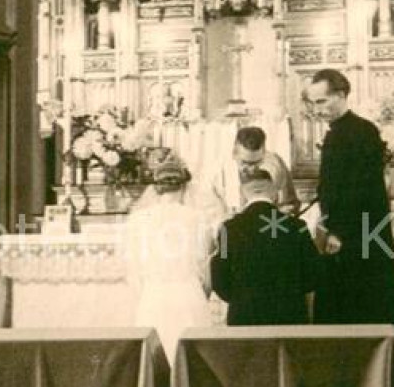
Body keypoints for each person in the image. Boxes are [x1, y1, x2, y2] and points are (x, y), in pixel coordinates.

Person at [307, 68, 394, 349]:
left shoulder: (361, 132)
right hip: (348, 233)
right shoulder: (342, 132)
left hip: (357, 237)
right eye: (313, 103)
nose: (318, 110)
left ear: (341, 95)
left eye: (322, 101)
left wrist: (338, 232)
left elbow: (360, 191)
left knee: (360, 308)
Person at [123, 155, 214, 360]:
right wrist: (200, 292)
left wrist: (147, 292)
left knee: (155, 360)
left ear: (155, 188)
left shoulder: (138, 220)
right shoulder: (199, 218)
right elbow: (204, 265)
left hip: (153, 296)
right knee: (190, 361)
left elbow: (133, 271)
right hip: (189, 295)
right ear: (184, 187)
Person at [211, 170, 320, 326]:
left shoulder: (229, 228)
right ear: (276, 193)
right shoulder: (297, 226)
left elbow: (219, 278)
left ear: (242, 195)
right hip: (290, 316)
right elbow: (313, 274)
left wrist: (240, 298)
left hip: (245, 317)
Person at [211, 125, 299, 216]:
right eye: (245, 163)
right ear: (234, 151)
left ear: (264, 151)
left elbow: (290, 203)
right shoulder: (218, 171)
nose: (252, 169)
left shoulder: (276, 165)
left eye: (257, 163)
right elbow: (210, 214)